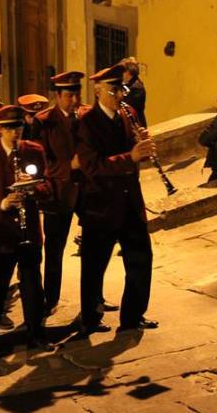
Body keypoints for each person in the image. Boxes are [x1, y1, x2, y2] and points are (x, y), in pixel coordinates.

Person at [75, 64, 158, 334]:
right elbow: (92, 166)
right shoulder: (87, 123)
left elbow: (134, 151)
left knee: (140, 260)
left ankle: (132, 316)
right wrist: (130, 156)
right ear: (98, 92)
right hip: (101, 205)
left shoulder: (128, 112)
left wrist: (142, 144)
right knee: (94, 266)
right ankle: (90, 318)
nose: (120, 95)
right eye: (114, 90)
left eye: (121, 89)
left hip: (130, 202)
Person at [0, 105, 53, 352]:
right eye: (8, 128)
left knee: (32, 284)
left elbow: (48, 188)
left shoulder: (34, 150)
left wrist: (33, 188)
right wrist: (2, 203)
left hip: (28, 229)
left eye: (18, 127)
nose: (14, 133)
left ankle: (35, 332)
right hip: (0, 231)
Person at [34, 72, 86, 316]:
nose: (74, 100)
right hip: (59, 193)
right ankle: (50, 298)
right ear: (57, 96)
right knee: (54, 249)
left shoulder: (85, 116)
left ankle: (94, 299)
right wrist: (68, 166)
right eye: (69, 96)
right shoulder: (44, 121)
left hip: (85, 191)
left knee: (94, 247)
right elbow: (39, 161)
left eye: (77, 94)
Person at [121, 57, 147, 128]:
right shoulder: (128, 84)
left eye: (122, 71)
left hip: (137, 125)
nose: (120, 74)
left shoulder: (136, 87)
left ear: (128, 72)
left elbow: (128, 106)